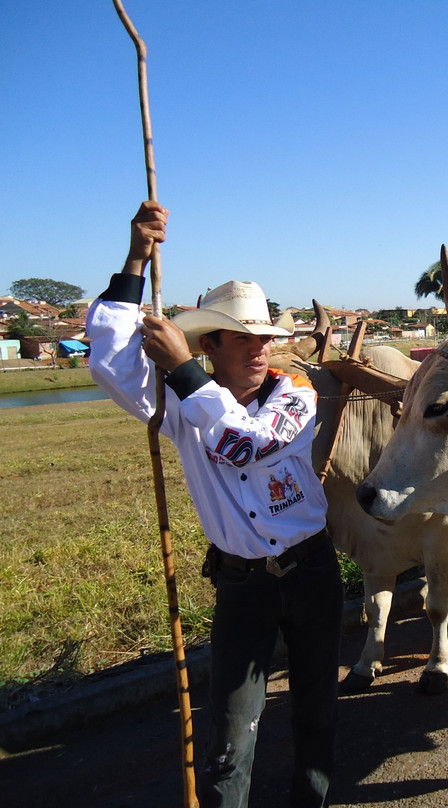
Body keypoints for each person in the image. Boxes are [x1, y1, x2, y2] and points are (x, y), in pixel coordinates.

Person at [87, 200, 343, 808]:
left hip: (312, 572)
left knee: (316, 710)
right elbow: (111, 362)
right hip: (242, 585)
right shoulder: (176, 402)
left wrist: (180, 369)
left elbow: (243, 444)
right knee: (230, 732)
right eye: (243, 337)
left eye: (266, 338)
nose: (259, 349)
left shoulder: (298, 396)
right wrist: (134, 260)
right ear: (213, 342)